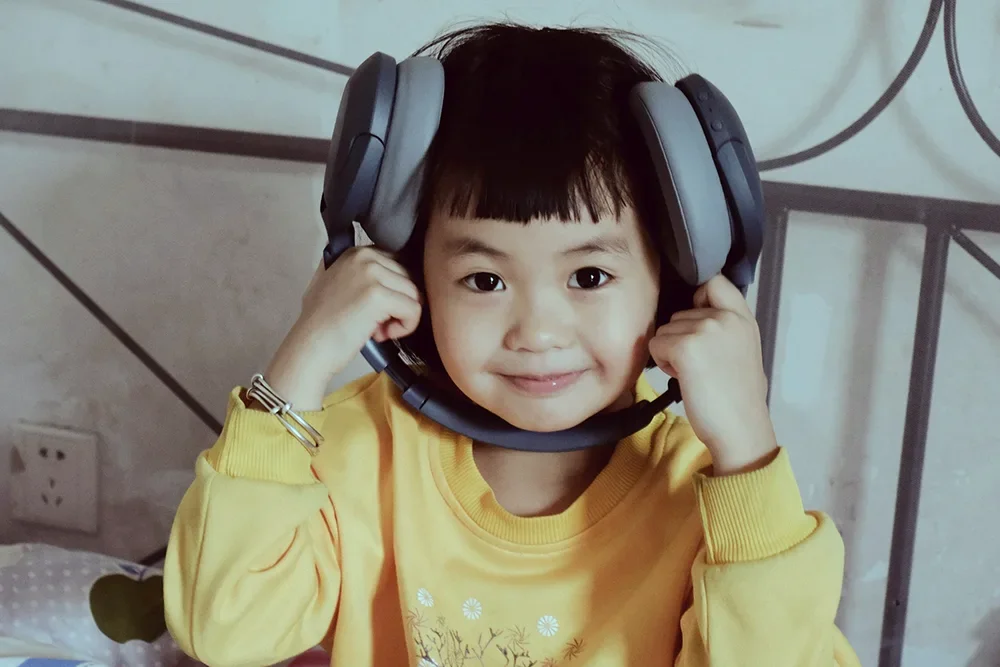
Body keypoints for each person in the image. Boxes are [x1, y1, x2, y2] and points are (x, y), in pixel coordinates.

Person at [163, 23, 861, 667]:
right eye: (484, 279)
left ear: (672, 282)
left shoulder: (716, 502)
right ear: (413, 278)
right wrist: (305, 353)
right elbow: (222, 627)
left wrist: (748, 449)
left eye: (589, 276)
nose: (537, 333)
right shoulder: (350, 447)